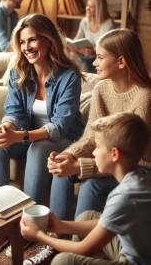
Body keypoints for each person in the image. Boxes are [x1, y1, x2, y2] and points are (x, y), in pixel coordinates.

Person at [25, 28, 151, 264]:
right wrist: (68, 156)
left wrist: (81, 167)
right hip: (117, 162)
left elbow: (132, 157)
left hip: (142, 167)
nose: (94, 62)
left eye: (101, 57)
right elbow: (92, 137)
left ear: (122, 61)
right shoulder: (102, 88)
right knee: (63, 170)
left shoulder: (145, 96)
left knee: (90, 183)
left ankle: (73, 251)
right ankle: (59, 237)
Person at [0, 13, 84, 257]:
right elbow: (13, 111)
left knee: (39, 148)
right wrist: (6, 127)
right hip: (29, 137)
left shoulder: (69, 76)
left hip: (65, 140)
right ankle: (2, 224)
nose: (27, 47)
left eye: (33, 40)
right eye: (23, 42)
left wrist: (21, 136)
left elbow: (59, 127)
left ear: (48, 40)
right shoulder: (19, 72)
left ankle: (29, 227)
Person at [20, 112, 151, 265]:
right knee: (87, 216)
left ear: (114, 154)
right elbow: (107, 222)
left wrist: (39, 235)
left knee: (63, 260)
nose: (94, 153)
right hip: (137, 249)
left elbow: (84, 249)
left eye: (98, 147)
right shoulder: (141, 177)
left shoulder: (124, 196)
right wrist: (62, 226)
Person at [71, 0, 116, 73]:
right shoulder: (84, 22)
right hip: (84, 57)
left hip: (100, 59)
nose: (88, 9)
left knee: (83, 63)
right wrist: (79, 49)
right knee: (73, 57)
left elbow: (108, 50)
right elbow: (76, 41)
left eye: (92, 7)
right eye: (87, 5)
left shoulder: (108, 25)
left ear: (99, 9)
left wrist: (93, 53)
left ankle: (85, 78)